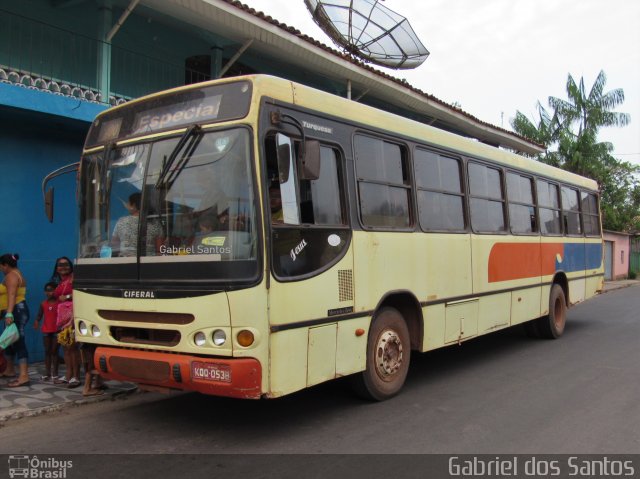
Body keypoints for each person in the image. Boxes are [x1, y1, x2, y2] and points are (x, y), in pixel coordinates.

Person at [0, 253, 30, 387]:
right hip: (16, 310)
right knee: (9, 340)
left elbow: (12, 295)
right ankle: (10, 369)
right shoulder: (18, 273)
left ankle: (24, 376)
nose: (1, 269)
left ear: (5, 265)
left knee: (18, 340)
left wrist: (9, 313)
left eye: (1, 267)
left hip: (16, 311)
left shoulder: (11, 276)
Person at [52, 257, 81, 388]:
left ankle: (76, 376)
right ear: (56, 268)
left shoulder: (74, 278)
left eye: (66, 264)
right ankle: (68, 374)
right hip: (62, 318)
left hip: (72, 316)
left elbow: (78, 296)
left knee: (73, 348)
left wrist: (73, 319)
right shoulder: (60, 281)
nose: (63, 267)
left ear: (70, 266)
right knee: (66, 347)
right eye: (60, 265)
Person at [112, 192, 162, 256]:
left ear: (134, 206)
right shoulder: (155, 223)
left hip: (125, 262)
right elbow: (160, 250)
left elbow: (114, 244)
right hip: (149, 263)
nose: (127, 205)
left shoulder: (121, 221)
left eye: (129, 203)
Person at [33, 282, 60, 382]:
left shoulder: (59, 303)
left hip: (57, 330)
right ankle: (47, 373)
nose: (50, 293)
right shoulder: (43, 304)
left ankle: (55, 374)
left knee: (54, 351)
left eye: (52, 290)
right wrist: (36, 321)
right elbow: (39, 315)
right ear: (45, 292)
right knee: (47, 351)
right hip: (46, 330)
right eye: (48, 290)